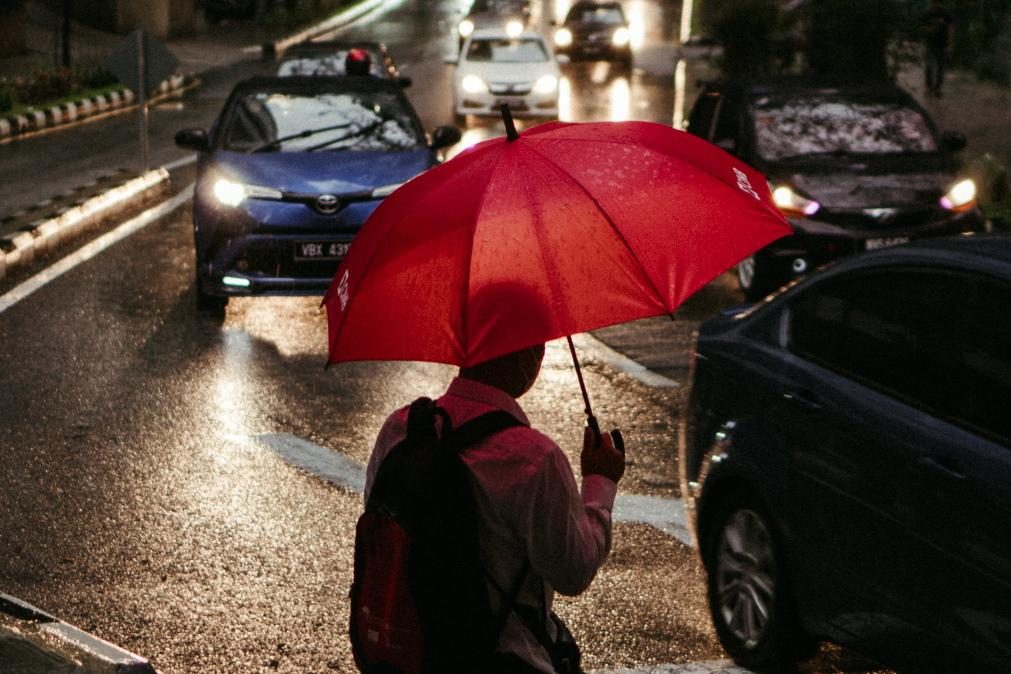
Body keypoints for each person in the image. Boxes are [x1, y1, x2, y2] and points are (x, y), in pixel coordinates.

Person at [364, 343, 625, 673]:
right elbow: (573, 570)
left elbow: (380, 525)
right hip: (504, 660)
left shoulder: (400, 429)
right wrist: (600, 482)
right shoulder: (533, 458)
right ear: (526, 355)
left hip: (407, 655)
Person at [922, 0, 955, 97]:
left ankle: (938, 88)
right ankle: (929, 87)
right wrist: (930, 29)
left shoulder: (945, 14)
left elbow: (951, 28)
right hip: (930, 43)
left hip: (942, 44)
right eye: (934, 2)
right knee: (929, 66)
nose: (935, 4)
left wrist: (949, 44)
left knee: (941, 67)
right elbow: (921, 27)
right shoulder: (927, 13)